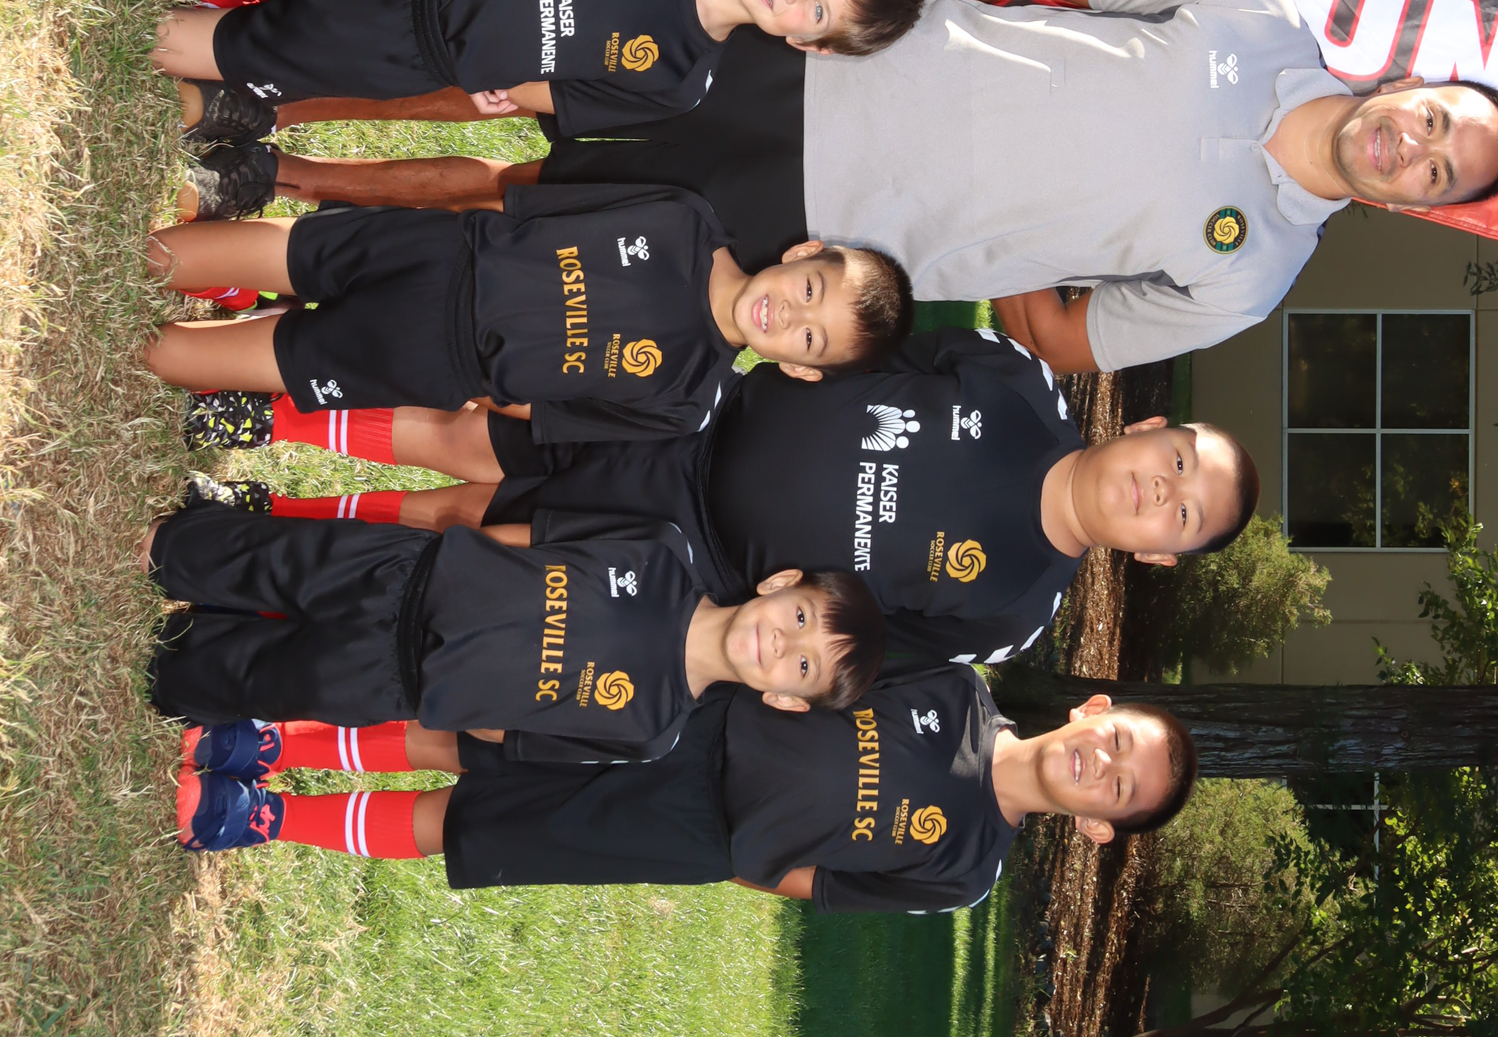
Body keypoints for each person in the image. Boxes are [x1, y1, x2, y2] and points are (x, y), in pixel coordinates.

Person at [223, 0, 1498, 367]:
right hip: (819, 61)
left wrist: (991, 236)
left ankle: (284, 183)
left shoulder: (1250, 279)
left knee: (523, 206)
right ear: (1414, 79)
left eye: (1438, 172)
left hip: (819, 238)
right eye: (1436, 118)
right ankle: (274, 93)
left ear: (1418, 205)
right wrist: (941, 36)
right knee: (527, 87)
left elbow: (1066, 339)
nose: (1411, 147)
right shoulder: (1254, 10)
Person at [208, 327, 1260, 666]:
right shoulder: (1013, 380)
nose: (1156, 488)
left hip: (686, 560)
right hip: (689, 419)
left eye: (1180, 512)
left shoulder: (1009, 613)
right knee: (463, 433)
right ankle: (267, 421)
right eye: (1175, 460)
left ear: (1157, 554)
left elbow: (856, 652)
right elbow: (862, 340)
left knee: (465, 524)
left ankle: (270, 521)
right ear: (1145, 428)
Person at [149, 0, 932, 209]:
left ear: (810, 46)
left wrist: (502, 85)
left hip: (408, 49)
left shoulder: (678, 82)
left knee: (214, 48)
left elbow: (553, 95)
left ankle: (164, 39)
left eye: (817, 12)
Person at [172, 661, 1198, 917]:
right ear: (1093, 708)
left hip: (690, 830)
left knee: (471, 822)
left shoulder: (966, 871)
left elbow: (821, 886)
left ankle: (263, 817)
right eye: (1117, 743)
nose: (1101, 766)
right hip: (693, 717)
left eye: (1120, 789)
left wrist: (725, 852)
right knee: (467, 734)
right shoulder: (957, 686)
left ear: (1099, 829)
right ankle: (272, 741)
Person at [147, 491, 881, 763]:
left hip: (393, 681)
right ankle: (161, 551)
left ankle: (171, 661)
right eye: (799, 618)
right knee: (263, 558)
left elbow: (516, 734)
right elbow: (535, 539)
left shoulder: (652, 730)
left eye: (802, 667)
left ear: (784, 699)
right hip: (403, 574)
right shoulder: (661, 550)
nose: (782, 643)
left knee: (246, 677)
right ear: (780, 584)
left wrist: (454, 689)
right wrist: (449, 564)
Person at [141, 186, 913, 443]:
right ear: (804, 251)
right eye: (810, 289)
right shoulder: (686, 216)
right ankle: (195, 272)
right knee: (168, 255)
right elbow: (526, 208)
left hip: (430, 359)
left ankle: (204, 334)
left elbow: (535, 410)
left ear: (800, 368)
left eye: (809, 337)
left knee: (166, 357)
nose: (789, 314)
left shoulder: (687, 402)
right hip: (433, 254)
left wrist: (466, 373)